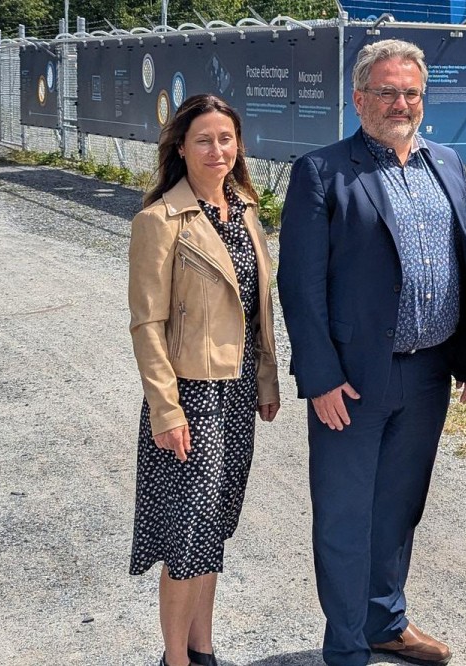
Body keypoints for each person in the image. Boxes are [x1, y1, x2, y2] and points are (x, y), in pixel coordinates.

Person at [277, 39, 466, 666]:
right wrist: (319, 375)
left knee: (400, 508)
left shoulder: (447, 163)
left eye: (411, 93)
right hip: (352, 382)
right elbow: (300, 283)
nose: (400, 103)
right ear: (358, 98)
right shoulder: (323, 171)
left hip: (428, 373)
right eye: (387, 91)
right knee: (346, 516)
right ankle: (345, 647)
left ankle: (385, 622)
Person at [127, 93, 281, 666]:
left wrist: (265, 380)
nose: (217, 150)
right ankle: (175, 658)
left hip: (237, 392)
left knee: (215, 526)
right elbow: (147, 324)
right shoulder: (159, 220)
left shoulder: (245, 210)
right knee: (187, 534)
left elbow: (257, 306)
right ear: (180, 149)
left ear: (238, 144)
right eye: (203, 140)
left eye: (226, 138)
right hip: (189, 394)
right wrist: (166, 410)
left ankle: (203, 647)